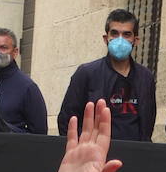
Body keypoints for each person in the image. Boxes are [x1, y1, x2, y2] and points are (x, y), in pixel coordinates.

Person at [56, 9, 155, 142]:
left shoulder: (145, 77)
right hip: (96, 156)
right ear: (106, 38)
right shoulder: (87, 73)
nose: (120, 40)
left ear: (135, 40)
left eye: (126, 34)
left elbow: (148, 121)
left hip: (136, 155)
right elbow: (67, 120)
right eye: (114, 33)